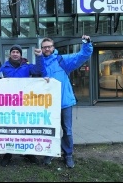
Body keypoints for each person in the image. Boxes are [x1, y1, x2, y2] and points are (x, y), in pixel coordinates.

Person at [37, 35, 93, 168]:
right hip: (48, 104)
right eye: (44, 47)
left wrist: (86, 43)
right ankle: (49, 153)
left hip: (64, 102)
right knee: (50, 130)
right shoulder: (40, 63)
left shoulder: (62, 60)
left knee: (67, 130)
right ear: (41, 49)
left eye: (49, 46)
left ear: (53, 47)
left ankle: (68, 155)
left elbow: (82, 56)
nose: (47, 49)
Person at [0, 44, 47, 167]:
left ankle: (28, 152)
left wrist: (39, 56)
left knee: (25, 128)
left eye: (17, 52)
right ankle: (8, 154)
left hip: (24, 103)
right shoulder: (3, 68)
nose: (15, 54)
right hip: (8, 104)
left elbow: (40, 70)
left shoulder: (27, 67)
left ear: (20, 55)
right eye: (13, 52)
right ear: (10, 54)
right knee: (9, 130)